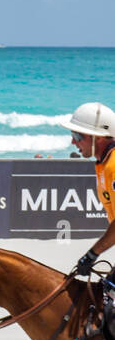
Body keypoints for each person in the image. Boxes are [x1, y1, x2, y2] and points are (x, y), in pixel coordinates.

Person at [61, 103, 115, 278]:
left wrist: (92, 254)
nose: (73, 141)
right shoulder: (104, 163)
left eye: (78, 135)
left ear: (97, 137)